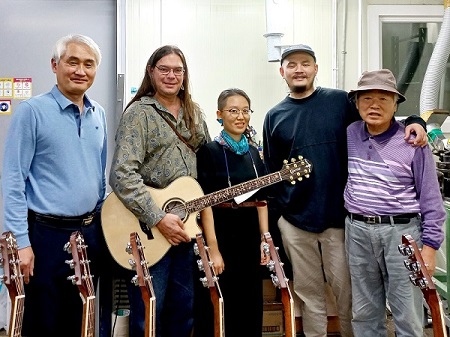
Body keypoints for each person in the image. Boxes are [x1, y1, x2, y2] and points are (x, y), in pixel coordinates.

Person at [262, 44, 428, 337]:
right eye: (291, 65)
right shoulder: (274, 116)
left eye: (305, 63)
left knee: (352, 297)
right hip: (295, 224)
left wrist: (416, 120)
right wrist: (278, 222)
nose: (299, 69)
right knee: (309, 294)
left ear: (315, 68)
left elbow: (380, 115)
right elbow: (273, 174)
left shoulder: (340, 101)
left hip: (341, 222)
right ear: (282, 72)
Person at [1, 34, 108, 336]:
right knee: (44, 322)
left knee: (81, 318)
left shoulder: (98, 113)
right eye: (72, 62)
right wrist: (20, 242)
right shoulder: (32, 112)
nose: (80, 70)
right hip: (44, 237)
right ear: (54, 65)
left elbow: (99, 178)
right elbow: (13, 180)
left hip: (88, 235)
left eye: (88, 64)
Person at [109, 45, 210, 337]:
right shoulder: (139, 113)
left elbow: (207, 155)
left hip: (185, 226)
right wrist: (157, 218)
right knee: (149, 310)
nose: (171, 75)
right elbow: (122, 175)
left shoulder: (193, 111)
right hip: (149, 229)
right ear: (151, 72)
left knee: (183, 310)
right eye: (164, 69)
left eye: (177, 70)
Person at [344, 69, 446, 336]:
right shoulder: (351, 133)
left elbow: (431, 198)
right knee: (364, 311)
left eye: (383, 99)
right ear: (356, 103)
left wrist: (431, 247)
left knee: (407, 311)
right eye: (366, 99)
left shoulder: (412, 141)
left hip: (402, 234)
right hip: (357, 232)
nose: (374, 105)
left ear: (396, 104)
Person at [193, 88, 270, 337]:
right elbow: (205, 203)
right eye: (233, 111)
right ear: (219, 115)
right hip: (222, 236)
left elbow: (262, 200)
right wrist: (213, 249)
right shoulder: (209, 152)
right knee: (218, 306)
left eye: (245, 111)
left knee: (249, 306)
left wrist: (264, 240)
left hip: (250, 238)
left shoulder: (255, 154)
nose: (240, 116)